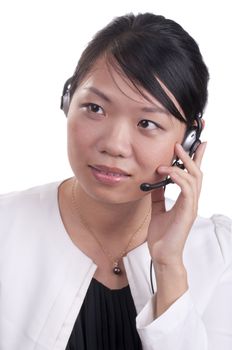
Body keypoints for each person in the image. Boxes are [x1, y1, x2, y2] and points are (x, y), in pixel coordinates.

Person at [0, 12, 231, 350]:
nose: (114, 144)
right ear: (68, 101)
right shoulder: (6, 228)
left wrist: (168, 268)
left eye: (147, 123)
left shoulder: (221, 255)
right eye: (95, 108)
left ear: (190, 139)